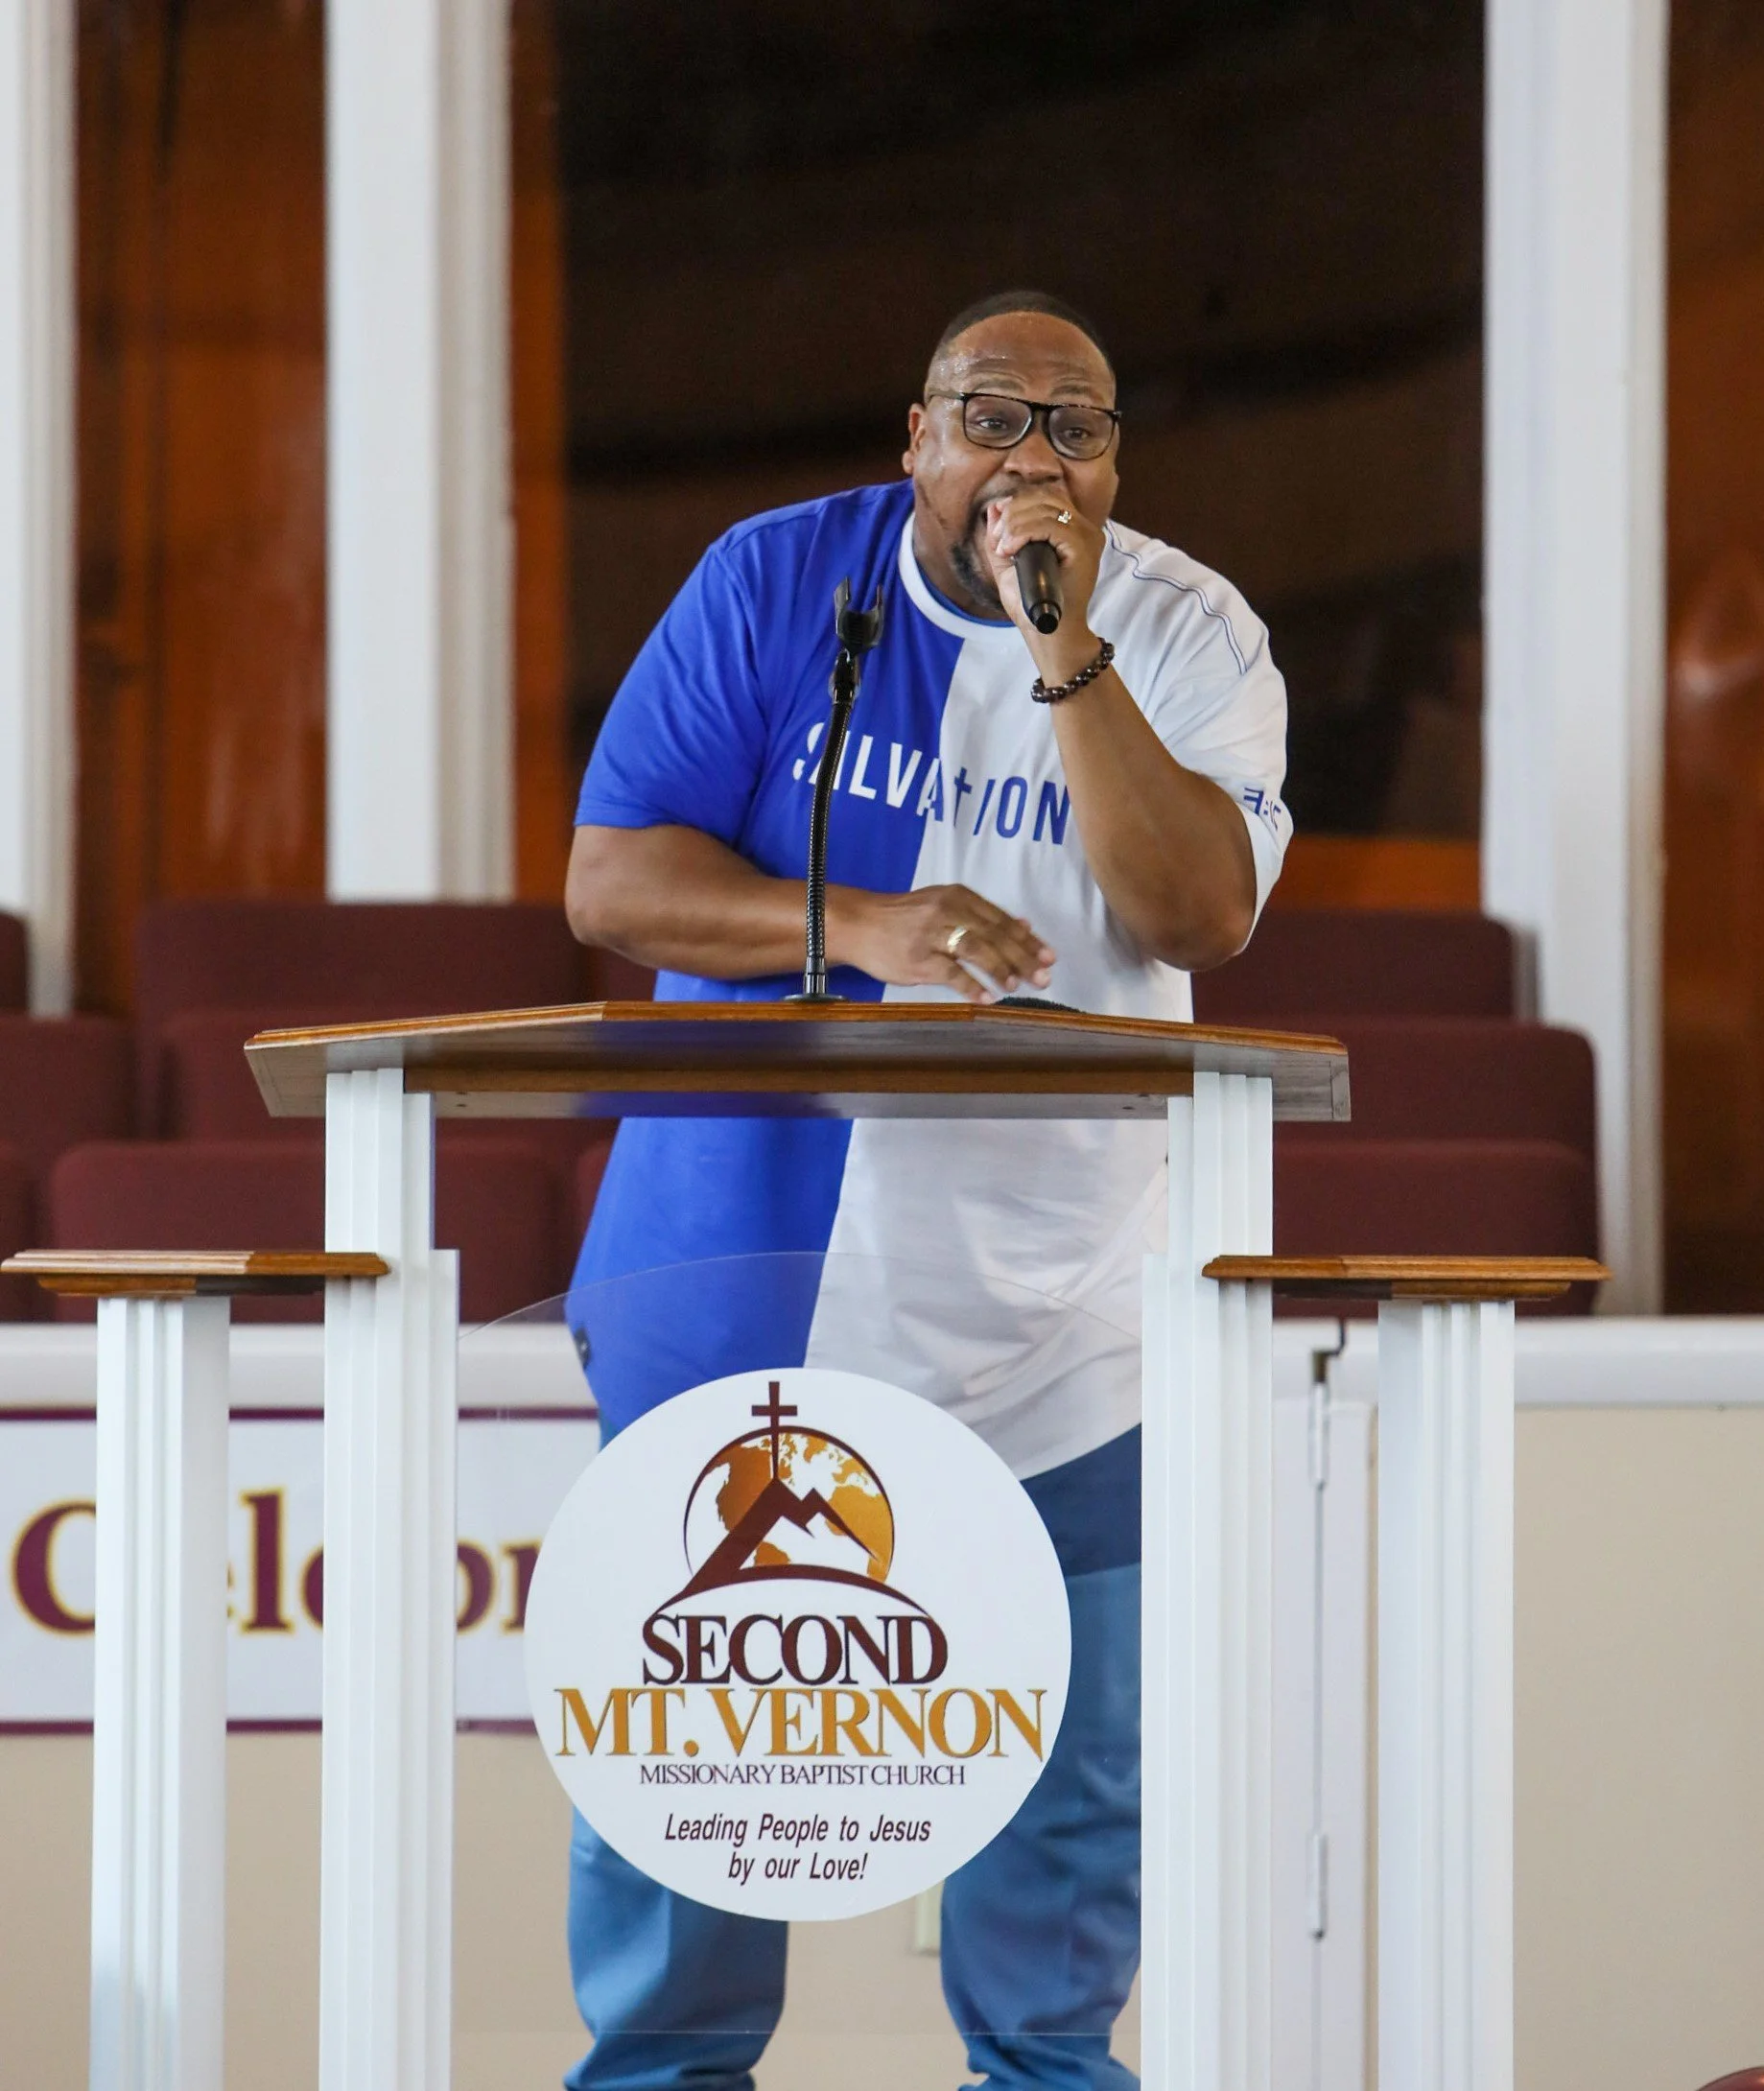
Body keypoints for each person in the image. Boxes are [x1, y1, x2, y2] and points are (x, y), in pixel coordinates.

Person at [560, 288, 1291, 2091]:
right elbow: (612, 881)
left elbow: (1198, 916)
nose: (1030, 457)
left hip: (1063, 1319)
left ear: (1113, 462)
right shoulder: (771, 582)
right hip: (747, 1285)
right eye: (991, 416)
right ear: (916, 438)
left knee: (1062, 1828)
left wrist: (1066, 652)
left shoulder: (1190, 632)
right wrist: (866, 928)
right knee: (695, 1796)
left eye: (1075, 427)